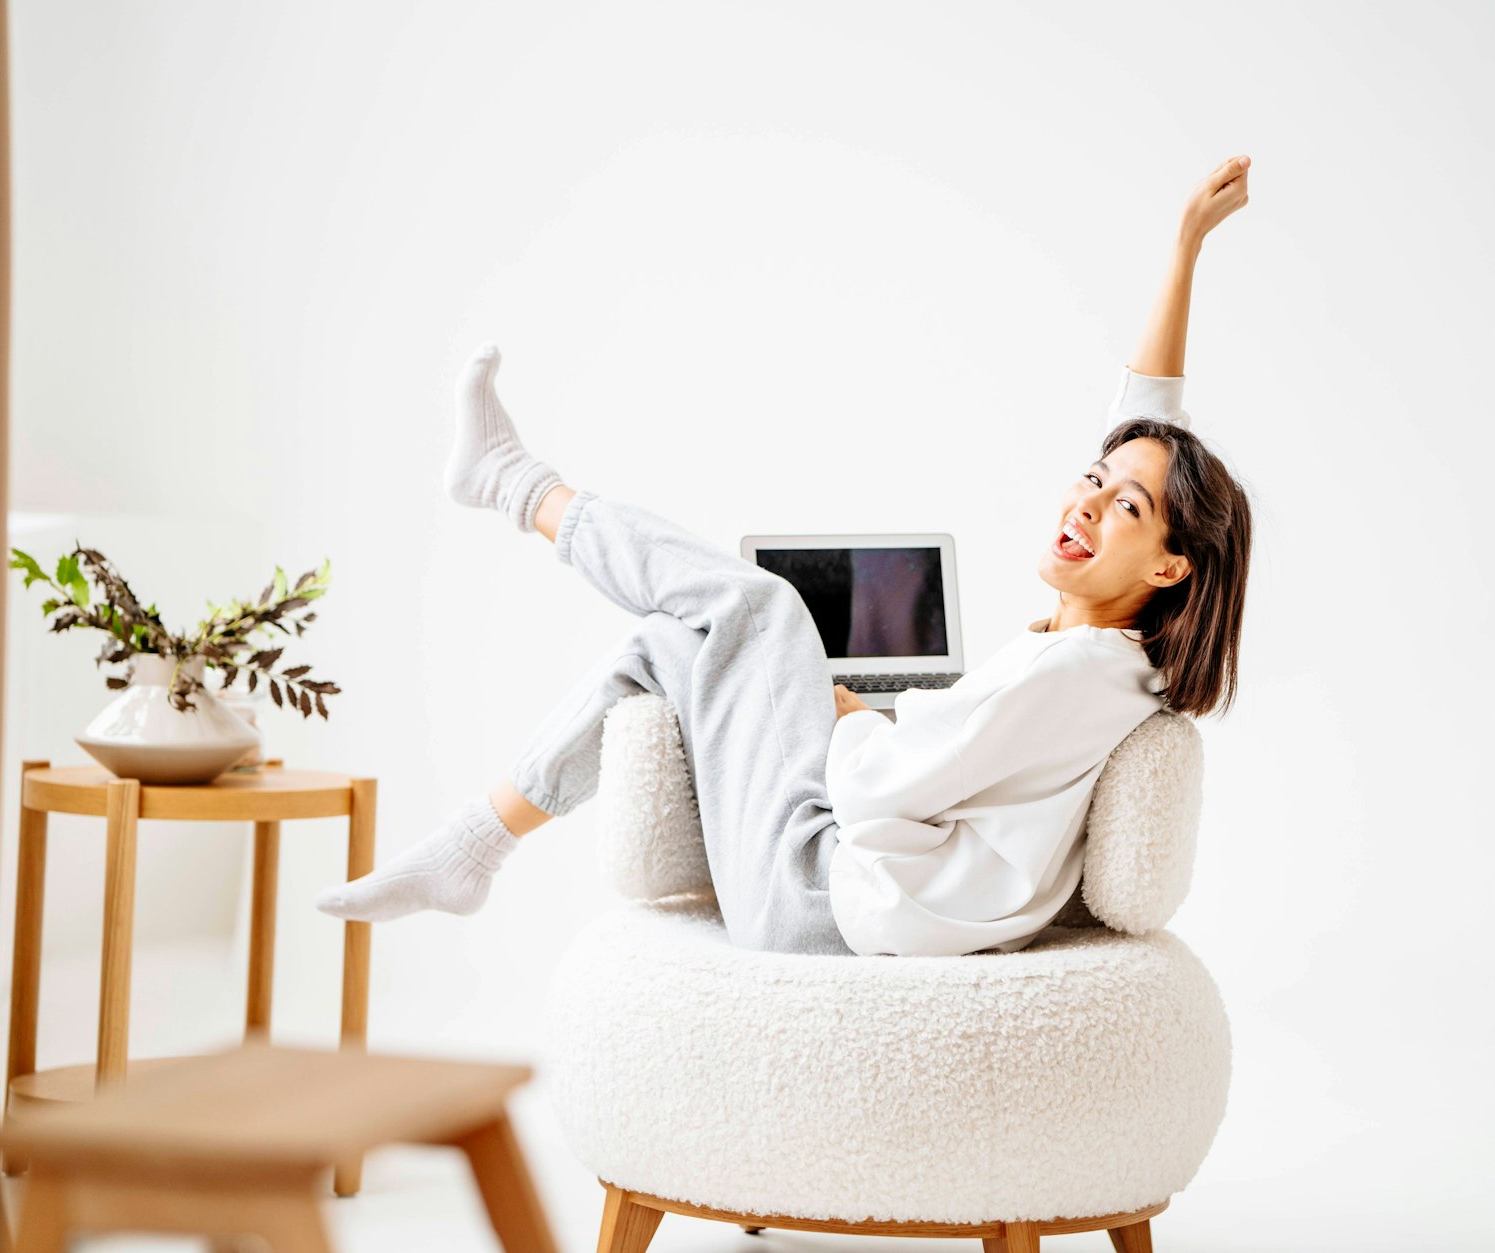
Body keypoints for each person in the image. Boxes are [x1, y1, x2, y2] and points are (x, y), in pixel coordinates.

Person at [315, 155, 1255, 957]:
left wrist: (856, 718)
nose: (1088, 499)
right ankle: (473, 847)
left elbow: (882, 784)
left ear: (1169, 568)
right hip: (842, 884)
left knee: (766, 610)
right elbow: (1146, 428)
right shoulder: (1112, 653)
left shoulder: (1081, 673)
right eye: (1093, 476)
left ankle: (515, 484)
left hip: (824, 898)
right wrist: (1184, 248)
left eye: (1123, 505)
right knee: (670, 647)